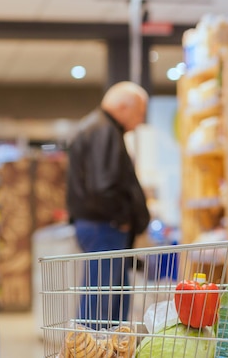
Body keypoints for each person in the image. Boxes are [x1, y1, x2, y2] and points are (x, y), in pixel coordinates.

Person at [66, 80, 151, 329]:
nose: (140, 121)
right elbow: (102, 186)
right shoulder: (104, 131)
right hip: (105, 227)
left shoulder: (97, 128)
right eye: (139, 113)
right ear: (124, 107)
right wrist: (123, 218)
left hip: (101, 226)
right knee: (100, 311)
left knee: (109, 308)